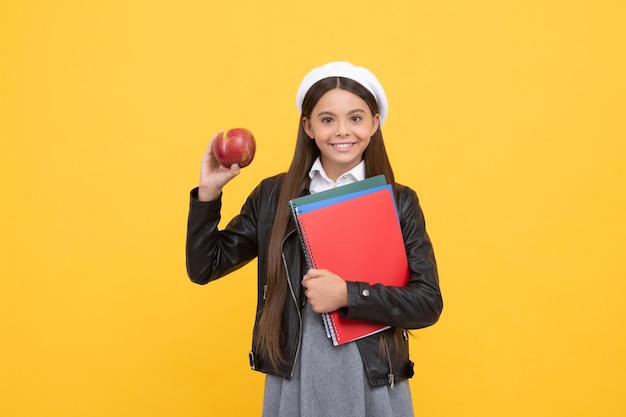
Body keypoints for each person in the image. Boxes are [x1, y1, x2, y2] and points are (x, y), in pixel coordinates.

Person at [186, 61, 443, 417]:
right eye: (327, 119)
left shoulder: (399, 201)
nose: (342, 131)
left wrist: (348, 295)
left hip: (372, 374)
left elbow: (427, 302)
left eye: (355, 118)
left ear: (374, 123)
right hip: (297, 369)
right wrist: (208, 194)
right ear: (307, 126)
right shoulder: (274, 196)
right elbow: (205, 266)